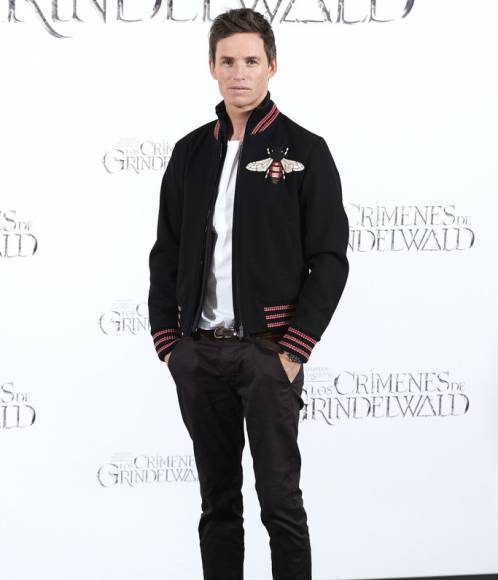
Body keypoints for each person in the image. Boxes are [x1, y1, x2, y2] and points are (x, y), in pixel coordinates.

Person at [147, 8, 349, 580]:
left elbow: (329, 259)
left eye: (251, 61)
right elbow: (166, 250)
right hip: (200, 354)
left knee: (281, 506)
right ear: (212, 67)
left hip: (268, 354)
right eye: (228, 61)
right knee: (217, 506)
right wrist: (170, 343)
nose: (240, 73)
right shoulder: (190, 152)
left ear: (272, 66)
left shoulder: (306, 149)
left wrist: (293, 349)